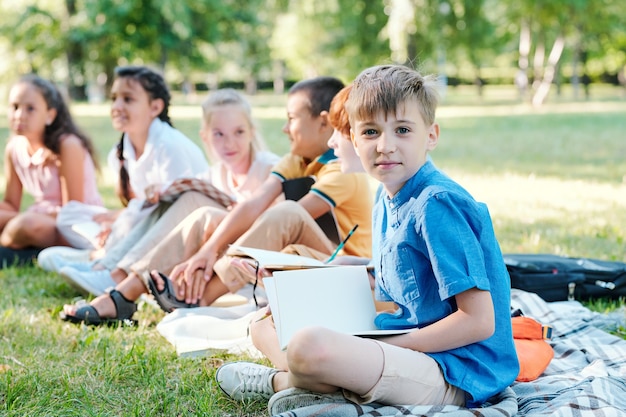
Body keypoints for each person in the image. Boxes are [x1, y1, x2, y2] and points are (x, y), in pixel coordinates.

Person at [214, 64, 519, 415]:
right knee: (264, 321)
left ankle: (281, 382)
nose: (385, 146)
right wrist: (347, 270)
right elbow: (411, 277)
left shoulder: (437, 204)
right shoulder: (388, 195)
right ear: (353, 139)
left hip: (456, 372)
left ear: (431, 135)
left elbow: (479, 321)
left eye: (402, 130)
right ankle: (321, 384)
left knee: (308, 346)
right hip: (403, 346)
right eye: (371, 132)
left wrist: (394, 343)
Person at [146, 76, 372, 313]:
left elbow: (286, 219)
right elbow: (254, 204)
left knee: (285, 212)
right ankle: (133, 287)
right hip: (310, 256)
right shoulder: (299, 160)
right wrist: (208, 250)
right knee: (210, 217)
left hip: (345, 272)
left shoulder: (343, 170)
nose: (285, 128)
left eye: (291, 119)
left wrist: (215, 252)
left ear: (323, 124)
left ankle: (200, 297)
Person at [59, 88, 280, 324]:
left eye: (238, 132)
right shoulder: (216, 175)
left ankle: (120, 284)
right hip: (215, 256)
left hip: (249, 257)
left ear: (251, 132)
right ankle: (113, 270)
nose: (229, 142)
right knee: (178, 198)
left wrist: (209, 250)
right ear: (205, 136)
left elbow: (272, 230)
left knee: (198, 204)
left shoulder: (268, 169)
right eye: (219, 134)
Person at [39, 65, 208, 269]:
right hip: (137, 223)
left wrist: (121, 220)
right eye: (114, 98)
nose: (117, 106)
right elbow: (139, 204)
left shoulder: (169, 146)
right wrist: (113, 220)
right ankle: (102, 251)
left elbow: (172, 210)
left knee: (133, 219)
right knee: (70, 213)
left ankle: (105, 259)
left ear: (155, 107)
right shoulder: (119, 153)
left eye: (128, 99)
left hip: (173, 230)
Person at [0, 74, 102, 266]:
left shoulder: (67, 145)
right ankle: (19, 247)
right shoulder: (14, 148)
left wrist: (21, 219)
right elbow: (11, 204)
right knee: (20, 223)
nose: (20, 115)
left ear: (50, 115)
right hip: (38, 218)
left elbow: (72, 211)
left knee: (24, 225)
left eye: (30, 109)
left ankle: (14, 247)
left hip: (74, 224)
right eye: (14, 107)